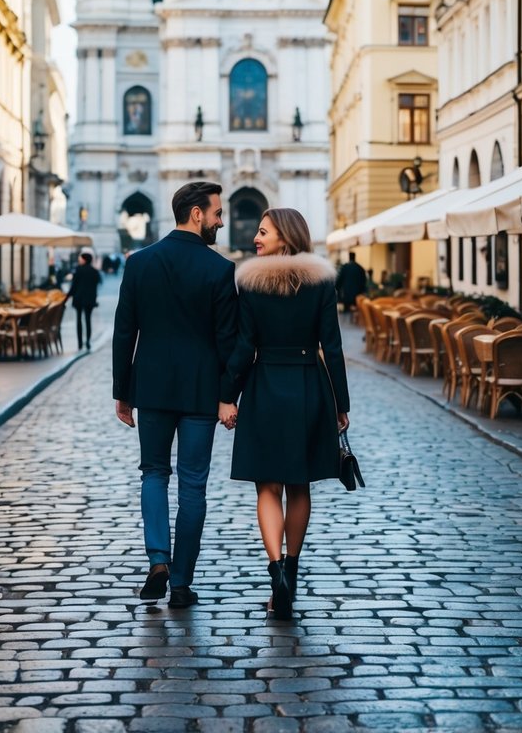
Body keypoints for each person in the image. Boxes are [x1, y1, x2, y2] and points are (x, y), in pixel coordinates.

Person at [218, 208, 350, 620]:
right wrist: (341, 404)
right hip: (310, 387)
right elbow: (334, 345)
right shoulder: (322, 282)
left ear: (285, 238)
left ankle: (277, 574)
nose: (256, 238)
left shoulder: (252, 285)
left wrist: (227, 396)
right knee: (300, 486)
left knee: (267, 488)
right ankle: (290, 570)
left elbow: (244, 347)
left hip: (264, 389)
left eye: (263, 232)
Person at [113, 181, 238, 609]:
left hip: (150, 387)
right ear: (197, 214)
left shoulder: (140, 263)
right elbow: (229, 341)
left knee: (152, 473)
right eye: (217, 213)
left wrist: (122, 392)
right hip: (202, 393)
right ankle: (181, 582)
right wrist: (228, 395)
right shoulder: (220, 270)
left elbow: (124, 333)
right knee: (193, 486)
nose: (222, 221)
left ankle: (157, 561)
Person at [65, 251, 101, 350]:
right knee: (88, 320)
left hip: (79, 298)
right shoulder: (94, 271)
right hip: (89, 299)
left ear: (84, 259)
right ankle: (88, 341)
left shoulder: (78, 270)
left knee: (79, 320)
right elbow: (97, 284)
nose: (79, 260)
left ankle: (80, 342)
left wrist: (67, 296)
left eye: (80, 258)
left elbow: (74, 286)